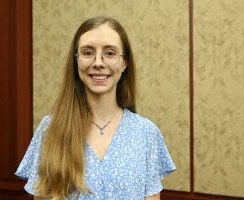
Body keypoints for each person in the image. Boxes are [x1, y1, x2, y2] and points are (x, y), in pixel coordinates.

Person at [16, 16, 176, 200]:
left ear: (125, 63)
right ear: (76, 61)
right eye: (88, 52)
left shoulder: (146, 133)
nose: (98, 62)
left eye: (109, 53)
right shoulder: (50, 129)